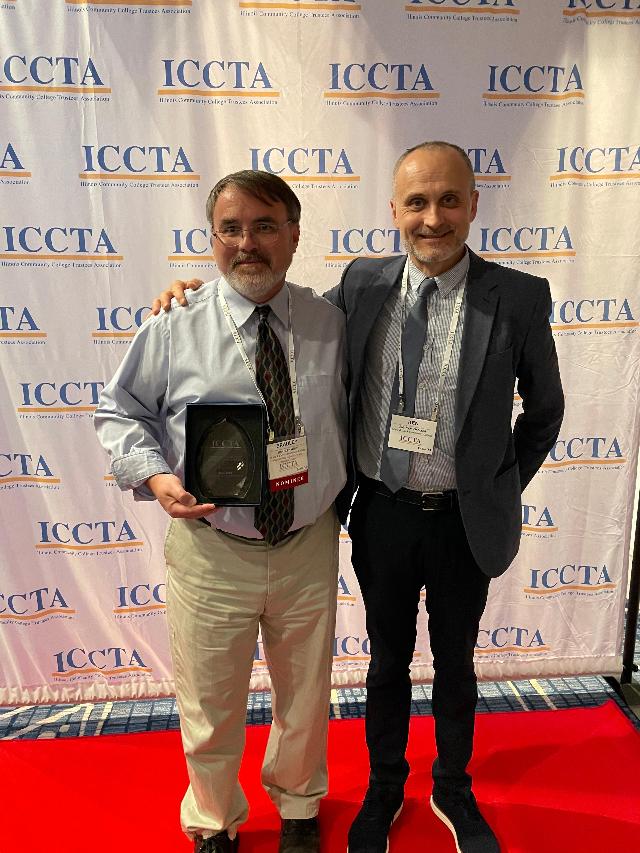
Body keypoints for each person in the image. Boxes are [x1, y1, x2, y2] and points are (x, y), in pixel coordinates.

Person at [152, 142, 564, 853]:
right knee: (385, 661)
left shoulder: (518, 296)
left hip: (466, 523)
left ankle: (454, 788)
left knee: (458, 660)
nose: (432, 218)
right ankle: (384, 787)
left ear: (472, 205)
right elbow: (273, 308)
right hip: (382, 517)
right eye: (416, 202)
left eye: (447, 201)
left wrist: (494, 488)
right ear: (394, 211)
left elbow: (546, 412)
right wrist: (188, 294)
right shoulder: (362, 287)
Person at [95, 170, 347, 853]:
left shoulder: (329, 321)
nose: (248, 243)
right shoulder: (175, 322)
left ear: (294, 235)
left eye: (265, 226)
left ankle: (299, 804)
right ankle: (213, 818)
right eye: (230, 229)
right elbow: (119, 412)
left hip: (305, 542)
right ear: (211, 239)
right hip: (211, 546)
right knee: (209, 703)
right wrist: (153, 476)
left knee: (306, 694)